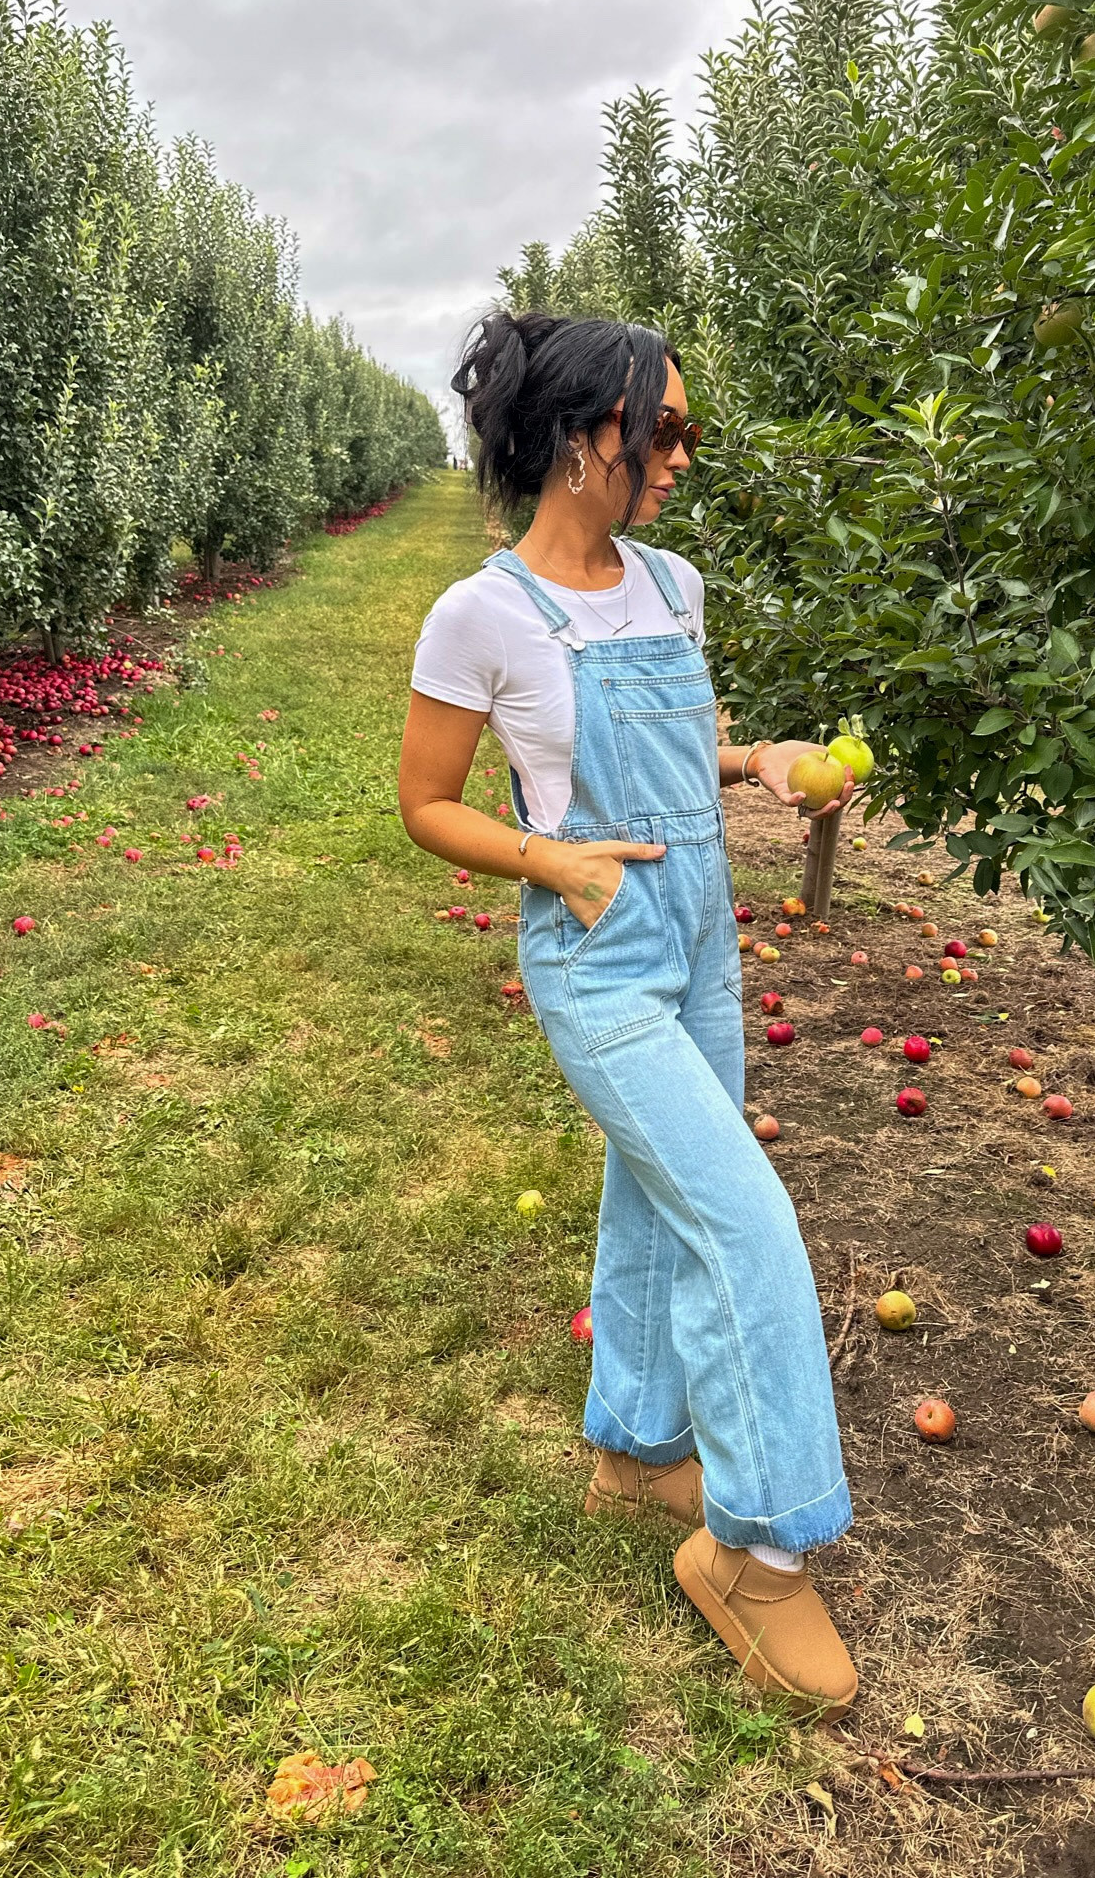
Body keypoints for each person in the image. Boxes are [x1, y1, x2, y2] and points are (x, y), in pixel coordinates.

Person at [399, 311, 857, 1718]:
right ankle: (759, 1552)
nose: (677, 459)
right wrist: (553, 861)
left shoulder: (672, 584)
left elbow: (677, 753)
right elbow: (424, 804)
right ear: (582, 437)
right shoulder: (479, 615)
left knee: (660, 1202)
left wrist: (762, 758)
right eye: (662, 433)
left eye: (683, 434)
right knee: (745, 1217)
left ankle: (635, 1444)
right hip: (594, 956)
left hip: (700, 937)